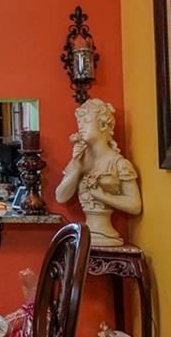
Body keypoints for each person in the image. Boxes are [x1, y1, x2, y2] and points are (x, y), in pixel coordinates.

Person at [54, 98, 141, 248]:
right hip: (85, 234)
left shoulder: (119, 164)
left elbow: (135, 206)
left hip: (106, 234)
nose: (80, 126)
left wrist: (102, 196)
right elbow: (61, 196)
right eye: (79, 122)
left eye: (86, 121)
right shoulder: (80, 160)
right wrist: (76, 166)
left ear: (103, 125)